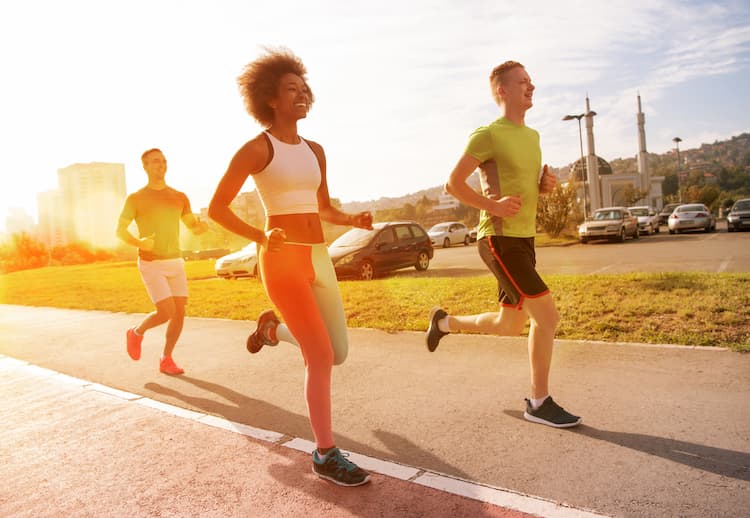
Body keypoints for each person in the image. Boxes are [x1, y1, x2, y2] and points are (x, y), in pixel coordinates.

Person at [208, 48, 373, 486]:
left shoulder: (316, 150)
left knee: (337, 352)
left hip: (319, 255)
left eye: (304, 89)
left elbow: (324, 208)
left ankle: (270, 331)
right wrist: (261, 236)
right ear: (270, 99)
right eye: (290, 90)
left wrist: (351, 219)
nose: (301, 95)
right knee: (318, 356)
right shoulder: (256, 149)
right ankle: (324, 453)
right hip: (281, 259)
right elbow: (217, 209)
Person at [425, 61, 581, 428]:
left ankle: (444, 323)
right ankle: (539, 402)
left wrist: (544, 187)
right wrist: (492, 206)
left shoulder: (533, 137)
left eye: (531, 81)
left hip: (524, 238)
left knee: (509, 324)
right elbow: (453, 184)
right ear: (503, 90)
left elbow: (526, 186)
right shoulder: (488, 134)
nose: (532, 86)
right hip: (498, 238)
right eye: (523, 81)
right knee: (547, 317)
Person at [116, 148, 208, 375]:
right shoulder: (136, 198)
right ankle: (136, 332)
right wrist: (139, 242)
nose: (161, 165)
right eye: (156, 162)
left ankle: (166, 358)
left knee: (179, 312)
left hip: (175, 260)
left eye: (164, 161)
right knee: (165, 311)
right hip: (151, 262)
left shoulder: (179, 197)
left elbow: (193, 227)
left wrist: (202, 227)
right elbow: (120, 231)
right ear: (145, 166)